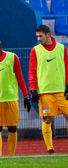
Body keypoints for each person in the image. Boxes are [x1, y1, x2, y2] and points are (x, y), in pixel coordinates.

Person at [0, 38, 31, 157]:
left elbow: (20, 78)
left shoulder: (12, 58)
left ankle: (11, 156)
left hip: (11, 99)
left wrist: (26, 96)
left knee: (12, 128)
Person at [29, 25, 68, 154]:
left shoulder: (62, 48)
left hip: (61, 90)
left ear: (48, 35)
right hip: (45, 91)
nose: (38, 39)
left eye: (40, 36)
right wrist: (33, 89)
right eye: (37, 36)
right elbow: (32, 71)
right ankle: (50, 148)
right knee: (47, 119)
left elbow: (67, 68)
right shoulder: (35, 51)